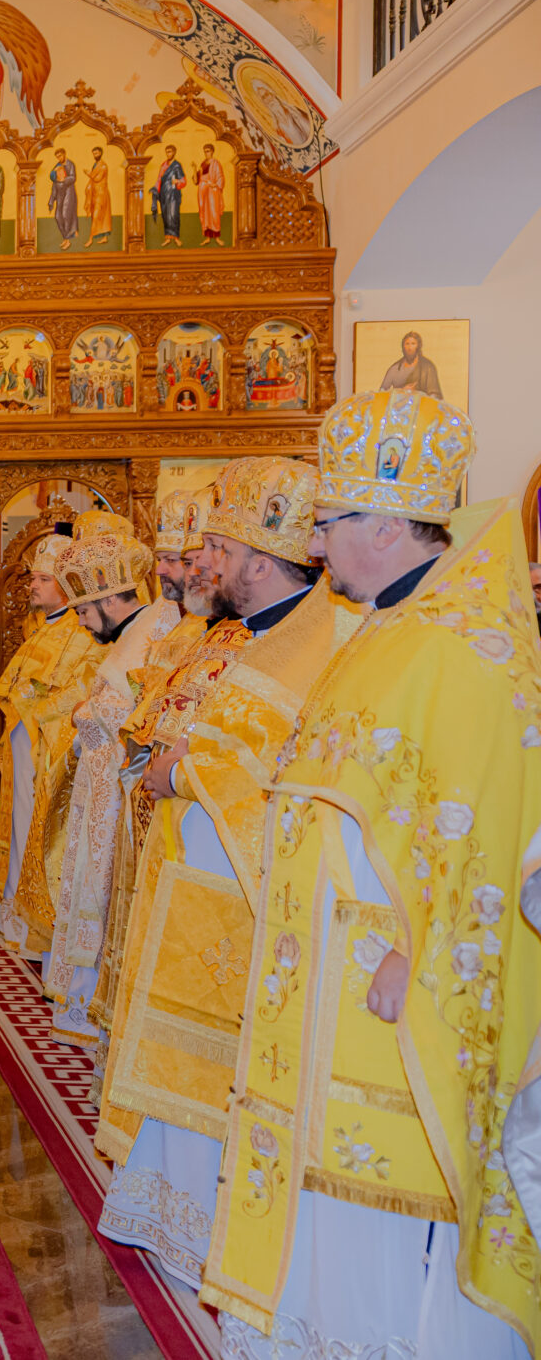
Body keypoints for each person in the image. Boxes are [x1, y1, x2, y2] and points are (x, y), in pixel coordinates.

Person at [203, 391, 539, 1357]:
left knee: (385, 1181)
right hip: (320, 963)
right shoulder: (387, 627)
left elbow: (484, 828)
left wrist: (415, 951)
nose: (315, 541)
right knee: (322, 1172)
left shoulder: (462, 649)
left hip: (386, 971)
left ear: (387, 527)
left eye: (331, 520)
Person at [93, 458, 357, 1290]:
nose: (204, 561)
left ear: (261, 559)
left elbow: (288, 768)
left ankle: (208, 1220)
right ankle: (168, 1208)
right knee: (177, 1048)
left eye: (220, 548)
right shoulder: (246, 635)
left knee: (220, 1062)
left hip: (241, 896)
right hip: (190, 880)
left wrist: (182, 771)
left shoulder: (316, 643)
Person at [44, 529, 183, 1054]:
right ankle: (81, 1004)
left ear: (107, 600)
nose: (80, 622)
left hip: (118, 791)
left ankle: (92, 1006)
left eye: (84, 610)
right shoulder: (136, 631)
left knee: (101, 891)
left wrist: (84, 714)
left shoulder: (157, 627)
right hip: (99, 785)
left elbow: (125, 711)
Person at [0, 530, 98, 960]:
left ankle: (37, 924)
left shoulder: (82, 632)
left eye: (42, 579)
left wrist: (37, 705)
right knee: (19, 828)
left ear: (67, 587)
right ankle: (16, 920)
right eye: (32, 578)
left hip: (49, 747)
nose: (32, 586)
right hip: (24, 746)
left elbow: (82, 689)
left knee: (37, 831)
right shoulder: (38, 630)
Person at [376, 329, 444, 398]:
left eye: (413, 344)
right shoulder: (395, 368)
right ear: (403, 346)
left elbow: (435, 395)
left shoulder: (427, 367)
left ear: (418, 346)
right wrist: (402, 391)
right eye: (407, 344)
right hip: (398, 404)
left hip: (421, 403)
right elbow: (381, 394)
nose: (410, 348)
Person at [154, 144, 185, 245]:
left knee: (173, 215)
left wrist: (177, 181)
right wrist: (156, 190)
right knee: (165, 215)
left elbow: (183, 181)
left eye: (170, 152)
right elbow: (159, 179)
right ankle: (167, 237)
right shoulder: (163, 165)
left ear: (174, 152)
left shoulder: (177, 165)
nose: (168, 154)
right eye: (167, 152)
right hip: (164, 194)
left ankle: (176, 237)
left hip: (173, 194)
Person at [48, 146, 78, 249]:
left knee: (66, 214)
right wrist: (51, 201)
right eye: (57, 157)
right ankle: (65, 237)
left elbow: (73, 177)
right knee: (57, 216)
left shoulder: (70, 164)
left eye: (60, 156)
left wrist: (64, 180)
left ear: (64, 154)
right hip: (60, 192)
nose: (59, 158)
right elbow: (52, 177)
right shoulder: (58, 165)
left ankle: (68, 240)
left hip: (69, 191)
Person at [196, 142, 225, 245]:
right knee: (205, 214)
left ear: (212, 152)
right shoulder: (203, 164)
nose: (206, 153)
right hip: (203, 191)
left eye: (208, 151)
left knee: (214, 213)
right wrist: (194, 169)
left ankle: (217, 238)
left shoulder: (216, 163)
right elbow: (198, 178)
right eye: (205, 151)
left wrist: (215, 184)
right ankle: (207, 238)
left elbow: (220, 177)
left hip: (212, 191)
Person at [85, 144, 114, 246]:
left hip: (101, 193)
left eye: (96, 153)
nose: (95, 155)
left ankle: (90, 239)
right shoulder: (95, 164)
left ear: (100, 153)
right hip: (95, 193)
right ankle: (104, 237)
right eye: (93, 153)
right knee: (98, 216)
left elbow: (97, 178)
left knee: (97, 216)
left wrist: (89, 173)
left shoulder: (103, 166)